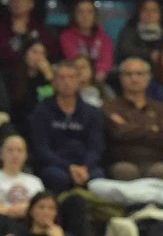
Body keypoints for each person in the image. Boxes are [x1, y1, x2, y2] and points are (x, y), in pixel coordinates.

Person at [29, 62, 106, 193]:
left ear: (79, 81)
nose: (67, 82)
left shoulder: (92, 113)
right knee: (57, 177)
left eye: (71, 77)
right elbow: (41, 148)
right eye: (62, 78)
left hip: (85, 165)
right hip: (55, 165)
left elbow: (96, 147)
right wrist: (69, 167)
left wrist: (85, 167)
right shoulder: (41, 111)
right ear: (54, 82)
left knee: (97, 178)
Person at [104, 57, 163, 183]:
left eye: (139, 74)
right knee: (125, 171)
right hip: (122, 161)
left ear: (148, 77)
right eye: (128, 74)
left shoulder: (162, 108)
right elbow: (118, 133)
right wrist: (152, 129)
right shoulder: (110, 106)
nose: (134, 78)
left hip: (157, 161)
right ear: (121, 78)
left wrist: (128, 127)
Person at [0, 134, 45, 219]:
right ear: (1, 154)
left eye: (19, 150)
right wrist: (19, 211)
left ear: (25, 155)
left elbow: (41, 210)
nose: (15, 154)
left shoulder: (35, 181)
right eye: (10, 150)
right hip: (1, 222)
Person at [59, 0, 115, 83]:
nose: (85, 16)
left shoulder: (105, 38)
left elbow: (107, 62)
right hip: (73, 79)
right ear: (74, 15)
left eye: (89, 12)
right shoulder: (66, 37)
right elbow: (74, 59)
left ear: (95, 16)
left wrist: (98, 75)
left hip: (98, 80)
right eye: (80, 12)